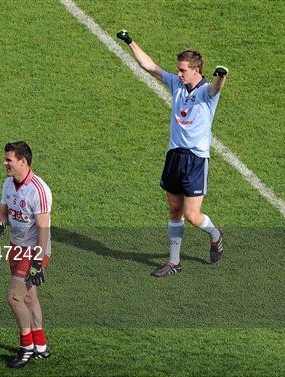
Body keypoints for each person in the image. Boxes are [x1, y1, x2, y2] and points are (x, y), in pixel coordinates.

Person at [116, 30, 228, 277]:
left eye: (182, 70)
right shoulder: (176, 84)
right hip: (174, 157)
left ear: (196, 70)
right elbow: (149, 66)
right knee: (174, 210)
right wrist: (130, 41)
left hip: (196, 160)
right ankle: (174, 262)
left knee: (192, 215)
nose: (178, 73)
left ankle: (215, 234)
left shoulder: (206, 92)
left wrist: (222, 75)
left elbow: (216, 86)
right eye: (178, 70)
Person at [0, 141, 53, 367]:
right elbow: (1, 212)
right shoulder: (8, 184)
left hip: (35, 249)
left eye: (9, 160)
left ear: (23, 161)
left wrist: (37, 262)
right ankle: (40, 345)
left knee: (14, 297)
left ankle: (25, 346)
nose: (5, 163)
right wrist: (0, 223)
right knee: (29, 297)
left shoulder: (39, 190)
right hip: (16, 247)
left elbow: (44, 230)